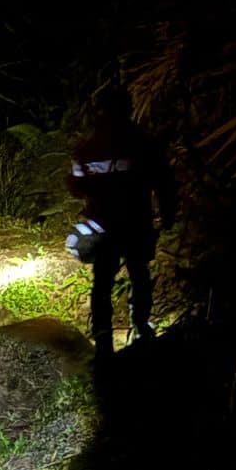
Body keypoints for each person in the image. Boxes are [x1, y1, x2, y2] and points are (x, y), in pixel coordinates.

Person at [68, 82, 177, 357]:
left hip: (102, 225)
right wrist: (168, 215)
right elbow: (164, 182)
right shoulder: (144, 143)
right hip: (136, 222)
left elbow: (76, 187)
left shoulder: (87, 147)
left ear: (100, 111)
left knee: (102, 281)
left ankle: (103, 338)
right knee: (139, 274)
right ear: (128, 109)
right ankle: (140, 327)